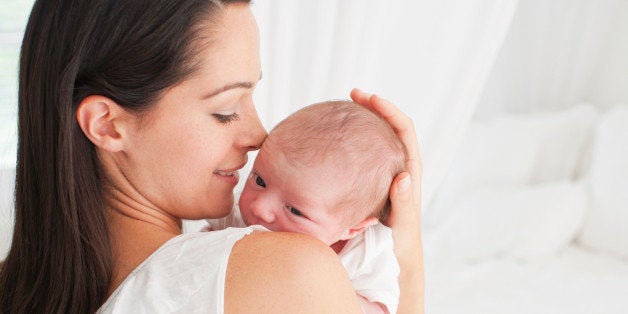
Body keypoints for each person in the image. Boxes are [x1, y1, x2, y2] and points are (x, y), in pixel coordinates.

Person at [0, 0, 424, 313]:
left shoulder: (14, 286)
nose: (260, 136)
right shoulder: (290, 268)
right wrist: (406, 243)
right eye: (225, 110)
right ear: (108, 125)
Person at [207, 100, 406, 313]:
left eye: (294, 211)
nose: (259, 208)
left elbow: (382, 307)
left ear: (353, 228)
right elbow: (199, 253)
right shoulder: (235, 215)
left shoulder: (365, 252)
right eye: (259, 181)